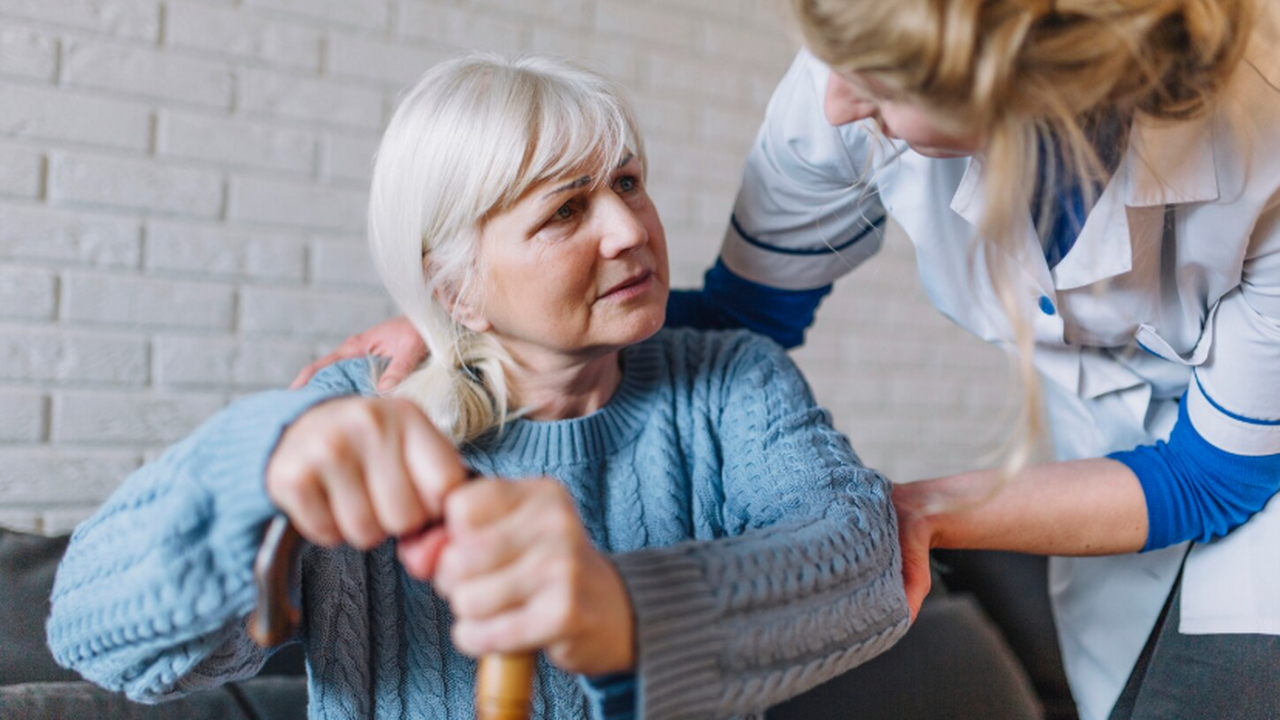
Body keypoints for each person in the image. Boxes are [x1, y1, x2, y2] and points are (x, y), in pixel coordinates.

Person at [298, 2, 1280, 718]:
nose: (838, 98)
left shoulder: (1262, 147)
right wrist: (472, 328)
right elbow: (737, 316)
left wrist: (912, 511)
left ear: (1020, 85)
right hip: (1117, 465)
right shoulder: (839, 80)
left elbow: (1211, 474)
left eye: (882, 86)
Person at [45, 54, 909, 720]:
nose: (629, 229)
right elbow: (94, 638)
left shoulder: (730, 382)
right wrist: (251, 470)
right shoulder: (355, 417)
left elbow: (864, 561)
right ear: (454, 289)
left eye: (628, 183)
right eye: (565, 211)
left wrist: (621, 608)